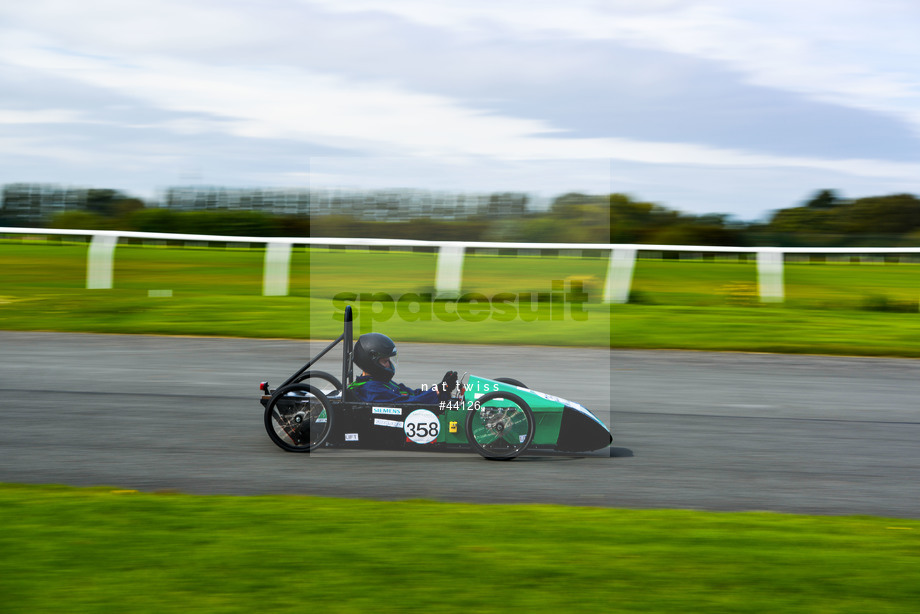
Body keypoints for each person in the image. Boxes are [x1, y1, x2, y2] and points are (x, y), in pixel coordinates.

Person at [346, 332, 457, 404]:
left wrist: (440, 389)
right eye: (385, 361)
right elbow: (407, 403)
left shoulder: (380, 383)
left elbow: (411, 394)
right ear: (371, 362)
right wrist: (437, 391)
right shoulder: (371, 389)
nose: (389, 364)